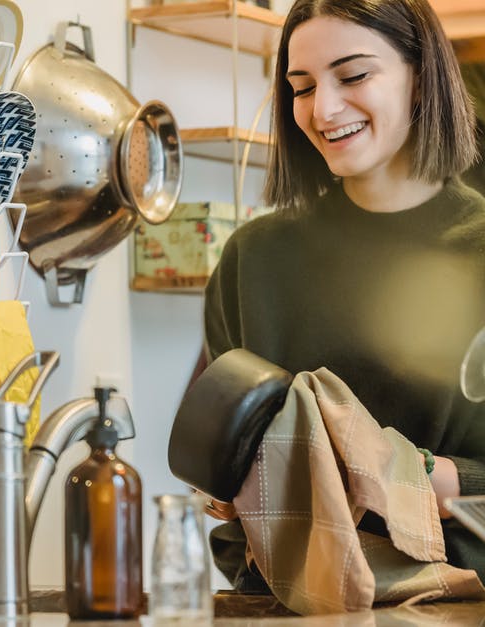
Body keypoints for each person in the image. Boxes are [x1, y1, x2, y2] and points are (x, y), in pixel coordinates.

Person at [202, 0, 485, 591]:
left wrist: (425, 479)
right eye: (301, 87)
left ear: (420, 78)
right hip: (288, 600)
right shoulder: (253, 260)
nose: (323, 109)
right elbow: (223, 468)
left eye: (353, 76)